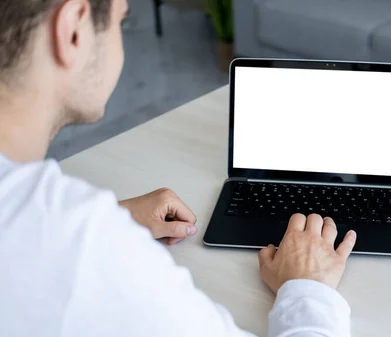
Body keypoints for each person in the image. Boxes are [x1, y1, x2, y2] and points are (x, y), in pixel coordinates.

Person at [0, 0, 358, 336]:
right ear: (73, 30)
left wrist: (118, 216)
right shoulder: (85, 248)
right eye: (120, 21)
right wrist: (307, 288)